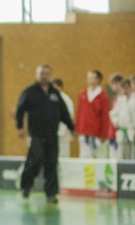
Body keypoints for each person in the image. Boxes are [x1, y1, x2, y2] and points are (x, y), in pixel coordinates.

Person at [15, 64, 75, 202]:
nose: (44, 76)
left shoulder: (55, 93)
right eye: (42, 73)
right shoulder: (30, 92)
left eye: (47, 74)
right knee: (34, 161)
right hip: (36, 135)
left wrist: (72, 128)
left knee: (52, 163)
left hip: (52, 135)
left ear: (51, 76)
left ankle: (51, 193)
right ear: (37, 75)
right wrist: (20, 127)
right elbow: (20, 110)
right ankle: (26, 186)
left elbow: (64, 112)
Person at [76, 69, 110, 158]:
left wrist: (104, 134)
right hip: (84, 133)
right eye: (88, 78)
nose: (89, 80)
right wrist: (78, 129)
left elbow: (105, 116)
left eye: (92, 78)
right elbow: (79, 113)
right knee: (85, 159)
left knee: (100, 158)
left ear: (98, 80)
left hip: (97, 134)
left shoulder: (103, 96)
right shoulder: (83, 94)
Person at [53, 78, 75, 159]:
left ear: (60, 87)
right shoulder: (51, 98)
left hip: (64, 130)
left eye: (55, 87)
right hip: (54, 131)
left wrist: (69, 128)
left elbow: (69, 116)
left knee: (64, 153)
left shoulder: (66, 99)